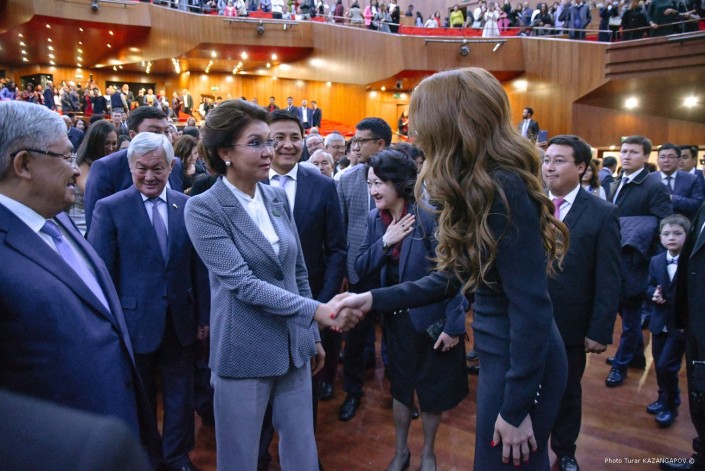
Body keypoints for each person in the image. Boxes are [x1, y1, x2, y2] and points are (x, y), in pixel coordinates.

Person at [336, 68, 569, 470]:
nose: (416, 132)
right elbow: (451, 277)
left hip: (519, 364)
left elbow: (532, 308)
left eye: (422, 120)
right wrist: (372, 298)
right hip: (503, 356)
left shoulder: (503, 187)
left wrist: (516, 408)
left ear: (451, 122)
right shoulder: (481, 184)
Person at [183, 99, 360, 471]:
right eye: (257, 143)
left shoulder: (275, 196)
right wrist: (318, 312)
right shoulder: (203, 208)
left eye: (270, 141)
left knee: (302, 453)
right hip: (243, 352)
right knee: (240, 459)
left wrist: (310, 335)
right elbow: (243, 284)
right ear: (225, 152)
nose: (271, 151)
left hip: (294, 348)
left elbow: (297, 273)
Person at [0, 99, 160, 465]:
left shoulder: (56, 216)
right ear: (23, 164)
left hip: (116, 429)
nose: (76, 169)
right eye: (65, 157)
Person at [88, 132, 208, 471]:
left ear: (171, 167)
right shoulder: (110, 208)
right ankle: (148, 458)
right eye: (142, 168)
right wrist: (109, 325)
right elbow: (102, 273)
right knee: (140, 397)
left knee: (180, 395)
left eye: (158, 168)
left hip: (180, 321)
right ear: (131, 166)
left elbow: (199, 269)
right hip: (132, 323)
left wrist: (204, 318)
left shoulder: (187, 206)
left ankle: (177, 457)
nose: (150, 176)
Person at [355, 148, 468, 471]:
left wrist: (454, 324)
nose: (373, 190)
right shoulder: (374, 220)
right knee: (401, 390)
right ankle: (401, 451)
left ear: (398, 183)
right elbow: (359, 268)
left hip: (432, 321)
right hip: (396, 323)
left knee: (432, 393)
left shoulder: (429, 216)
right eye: (369, 183)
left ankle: (428, 453)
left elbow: (454, 275)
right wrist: (386, 242)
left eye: (379, 183)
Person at [258, 109, 347, 470]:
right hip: (259, 307)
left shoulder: (322, 186)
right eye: (277, 137)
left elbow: (337, 249)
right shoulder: (248, 183)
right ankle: (259, 457)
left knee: (303, 389)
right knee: (259, 391)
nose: (287, 145)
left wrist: (321, 305)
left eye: (294, 137)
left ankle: (303, 459)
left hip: (309, 307)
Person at [543, 135, 621, 471]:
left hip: (571, 325)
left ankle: (564, 450)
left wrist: (599, 330)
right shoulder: (530, 205)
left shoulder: (602, 213)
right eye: (547, 160)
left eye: (559, 161)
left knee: (567, 391)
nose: (550, 167)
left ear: (581, 168)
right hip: (528, 320)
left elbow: (609, 278)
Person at [605, 135, 673, 387]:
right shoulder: (616, 182)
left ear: (645, 156)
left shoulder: (653, 186)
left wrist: (654, 264)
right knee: (625, 312)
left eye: (633, 152)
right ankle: (635, 357)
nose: (626, 156)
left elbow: (664, 224)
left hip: (637, 260)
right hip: (617, 257)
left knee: (631, 316)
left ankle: (621, 365)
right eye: (624, 151)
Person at [337, 117, 392, 422]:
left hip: (395, 269)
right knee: (356, 338)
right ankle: (353, 391)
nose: (355, 147)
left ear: (380, 144)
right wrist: (344, 272)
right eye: (354, 141)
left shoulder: (402, 176)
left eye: (361, 141)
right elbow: (340, 231)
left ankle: (401, 393)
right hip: (359, 270)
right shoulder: (346, 179)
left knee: (397, 337)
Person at [83, 106, 183, 231]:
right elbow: (96, 227)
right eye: (155, 132)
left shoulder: (176, 165)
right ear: (133, 135)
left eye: (167, 131)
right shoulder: (106, 168)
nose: (164, 138)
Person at [646, 214, 689, 429]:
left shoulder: (691, 262)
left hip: (679, 325)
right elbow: (648, 286)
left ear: (687, 236)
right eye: (666, 234)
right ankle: (663, 397)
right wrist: (653, 294)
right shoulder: (656, 261)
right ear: (660, 237)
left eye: (677, 233)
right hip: (659, 322)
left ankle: (672, 404)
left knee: (667, 365)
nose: (671, 237)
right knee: (658, 362)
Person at [70, 120, 118, 234]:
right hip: (82, 224)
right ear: (95, 143)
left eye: (114, 143)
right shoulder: (82, 165)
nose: (111, 148)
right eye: (106, 143)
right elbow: (93, 193)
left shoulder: (111, 163)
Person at [647, 143, 704, 220]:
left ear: (679, 160)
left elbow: (697, 204)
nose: (666, 160)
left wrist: (672, 198)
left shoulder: (692, 179)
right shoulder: (649, 179)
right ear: (658, 160)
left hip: (684, 222)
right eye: (662, 157)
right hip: (656, 223)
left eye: (671, 157)